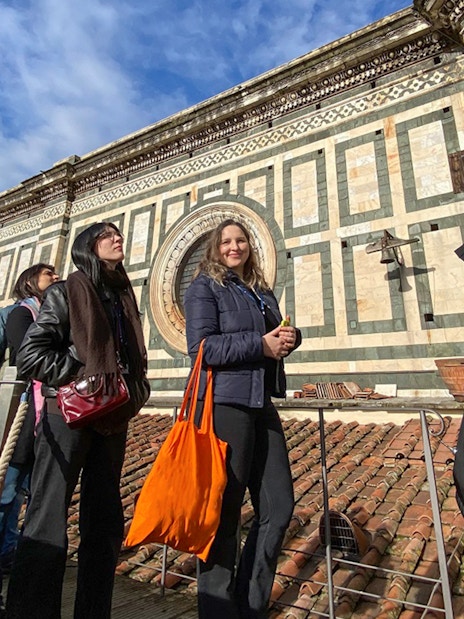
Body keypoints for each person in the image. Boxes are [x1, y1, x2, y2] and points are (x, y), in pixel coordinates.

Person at [6, 222, 150, 619]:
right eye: (107, 235)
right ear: (89, 247)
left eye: (119, 233)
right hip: (66, 416)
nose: (118, 239)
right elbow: (31, 355)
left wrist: (135, 391)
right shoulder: (65, 291)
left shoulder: (122, 296)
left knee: (104, 527)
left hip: (112, 419)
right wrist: (82, 377)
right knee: (47, 519)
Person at [184, 218, 301, 619]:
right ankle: (217, 609)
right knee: (226, 510)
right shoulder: (204, 286)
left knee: (279, 505)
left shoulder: (258, 290)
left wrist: (288, 338)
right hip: (224, 404)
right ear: (215, 248)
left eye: (241, 240)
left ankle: (250, 605)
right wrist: (260, 345)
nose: (235, 247)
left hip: (259, 401)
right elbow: (201, 348)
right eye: (227, 242)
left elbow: (273, 335)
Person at [0, 264, 59, 615]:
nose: (55, 277)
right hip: (20, 414)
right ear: (30, 281)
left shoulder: (49, 314)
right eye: (47, 274)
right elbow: (28, 357)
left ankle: (10, 553)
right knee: (8, 490)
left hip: (40, 417)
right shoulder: (21, 314)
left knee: (22, 492)